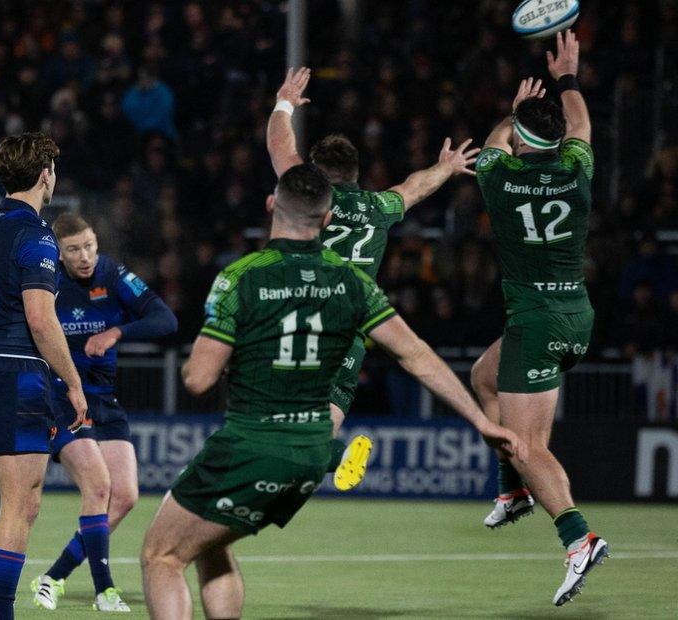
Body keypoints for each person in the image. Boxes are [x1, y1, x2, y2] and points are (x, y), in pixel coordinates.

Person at [140, 164, 526, 619]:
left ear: (270, 206)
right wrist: (481, 420)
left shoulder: (240, 277)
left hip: (252, 446)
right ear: (325, 221)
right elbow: (416, 355)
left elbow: (198, 379)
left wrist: (205, 353)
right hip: (310, 454)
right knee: (212, 544)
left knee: (161, 556)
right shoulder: (354, 283)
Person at [0, 213, 177, 612]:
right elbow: (23, 319)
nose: (84, 257)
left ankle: (54, 576)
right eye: (74, 250)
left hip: (103, 399)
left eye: (90, 246)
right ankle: (104, 591)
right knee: (97, 489)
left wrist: (117, 332)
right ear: (59, 255)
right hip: (61, 397)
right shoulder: (49, 279)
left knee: (126, 497)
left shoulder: (112, 275)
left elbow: (165, 319)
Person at [267, 67, 480, 477]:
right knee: (317, 430)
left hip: (304, 315)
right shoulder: (378, 208)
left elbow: (279, 146)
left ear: (316, 171)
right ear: (355, 175)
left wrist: (284, 104)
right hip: (354, 324)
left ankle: (324, 455)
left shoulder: (309, 194)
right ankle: (335, 454)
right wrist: (447, 167)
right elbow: (414, 187)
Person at [471, 31, 607, 606]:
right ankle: (514, 492)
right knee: (483, 377)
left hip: (536, 322)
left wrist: (509, 113)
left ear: (522, 142)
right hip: (575, 313)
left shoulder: (500, 181)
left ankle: (579, 538)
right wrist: (568, 76)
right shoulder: (576, 169)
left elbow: (492, 143)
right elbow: (580, 125)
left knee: (528, 444)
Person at [0, 132, 87, 619]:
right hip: (17, 373)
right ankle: (1, 614)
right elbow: (41, 318)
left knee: (5, 505)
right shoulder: (35, 235)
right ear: (45, 174)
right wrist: (73, 382)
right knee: (22, 506)